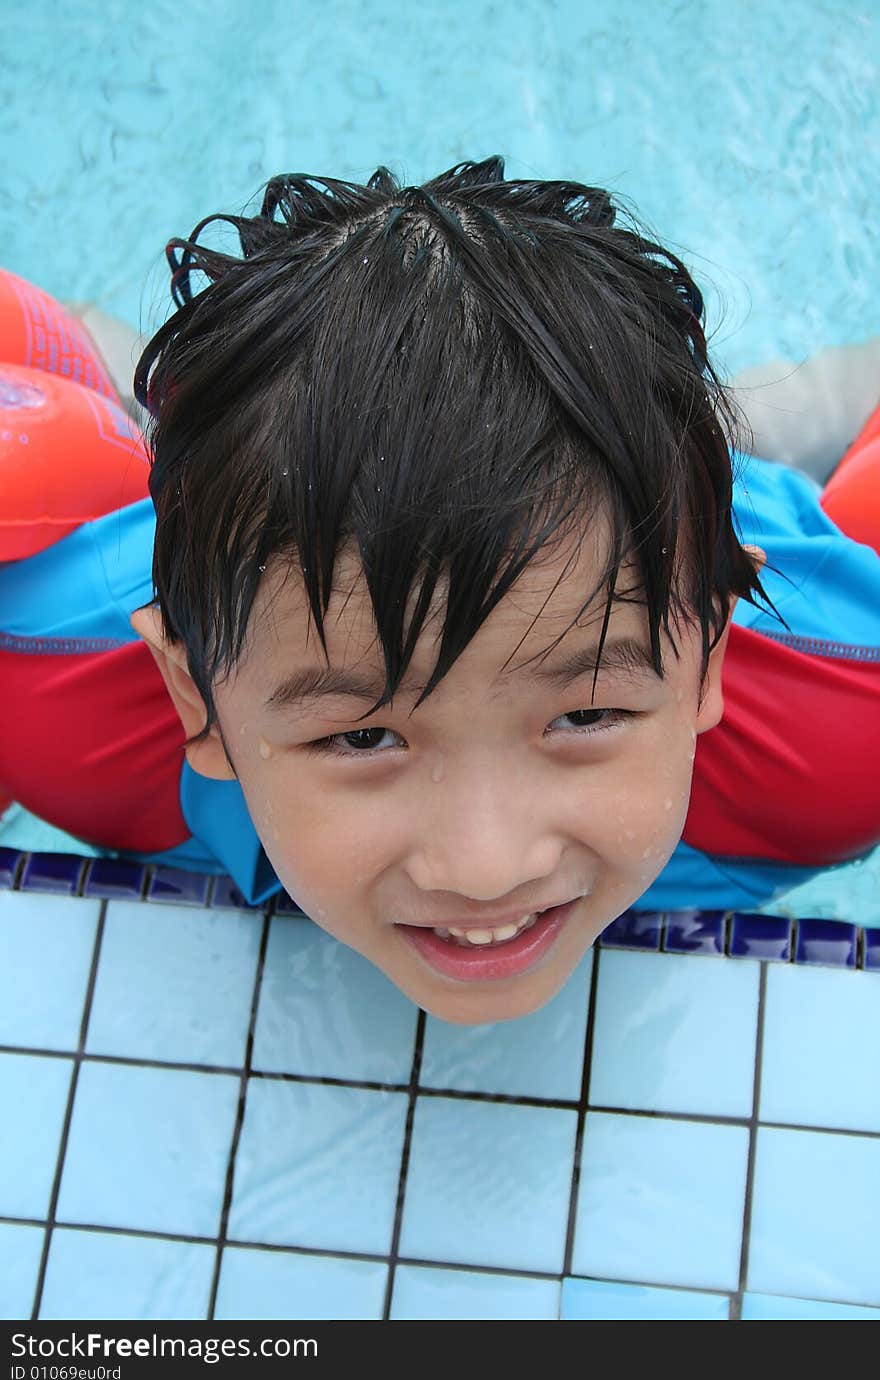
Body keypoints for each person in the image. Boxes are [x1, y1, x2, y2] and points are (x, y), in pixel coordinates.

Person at [1, 157, 878, 1027]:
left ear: (708, 655)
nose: (484, 867)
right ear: (191, 693)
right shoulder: (46, 689)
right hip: (237, 511)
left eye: (586, 716)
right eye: (363, 735)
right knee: (76, 429)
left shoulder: (846, 718)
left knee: (773, 431)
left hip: (665, 509)